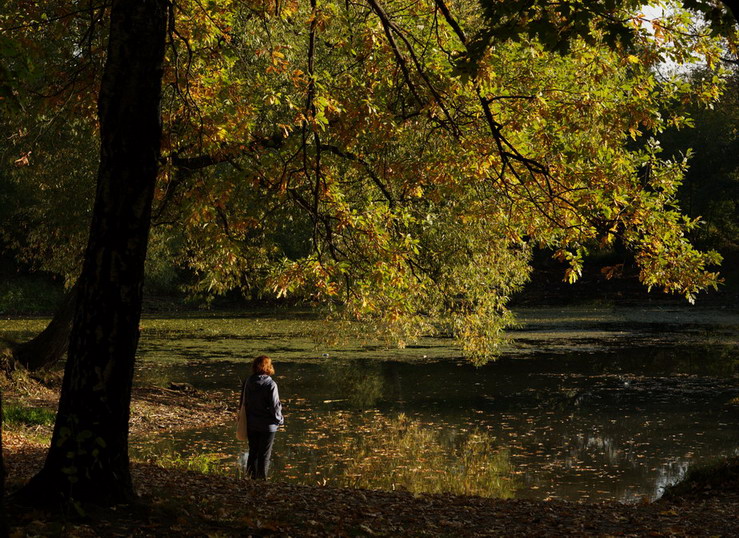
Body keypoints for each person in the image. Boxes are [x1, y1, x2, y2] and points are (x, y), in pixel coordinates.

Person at [239, 355, 284, 479]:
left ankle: (250, 478)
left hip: (251, 423)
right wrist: (280, 420)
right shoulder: (271, 384)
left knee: (253, 451)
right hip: (267, 425)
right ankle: (262, 480)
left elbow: (243, 402)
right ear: (268, 367)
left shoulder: (248, 381)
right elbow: (275, 406)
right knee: (264, 454)